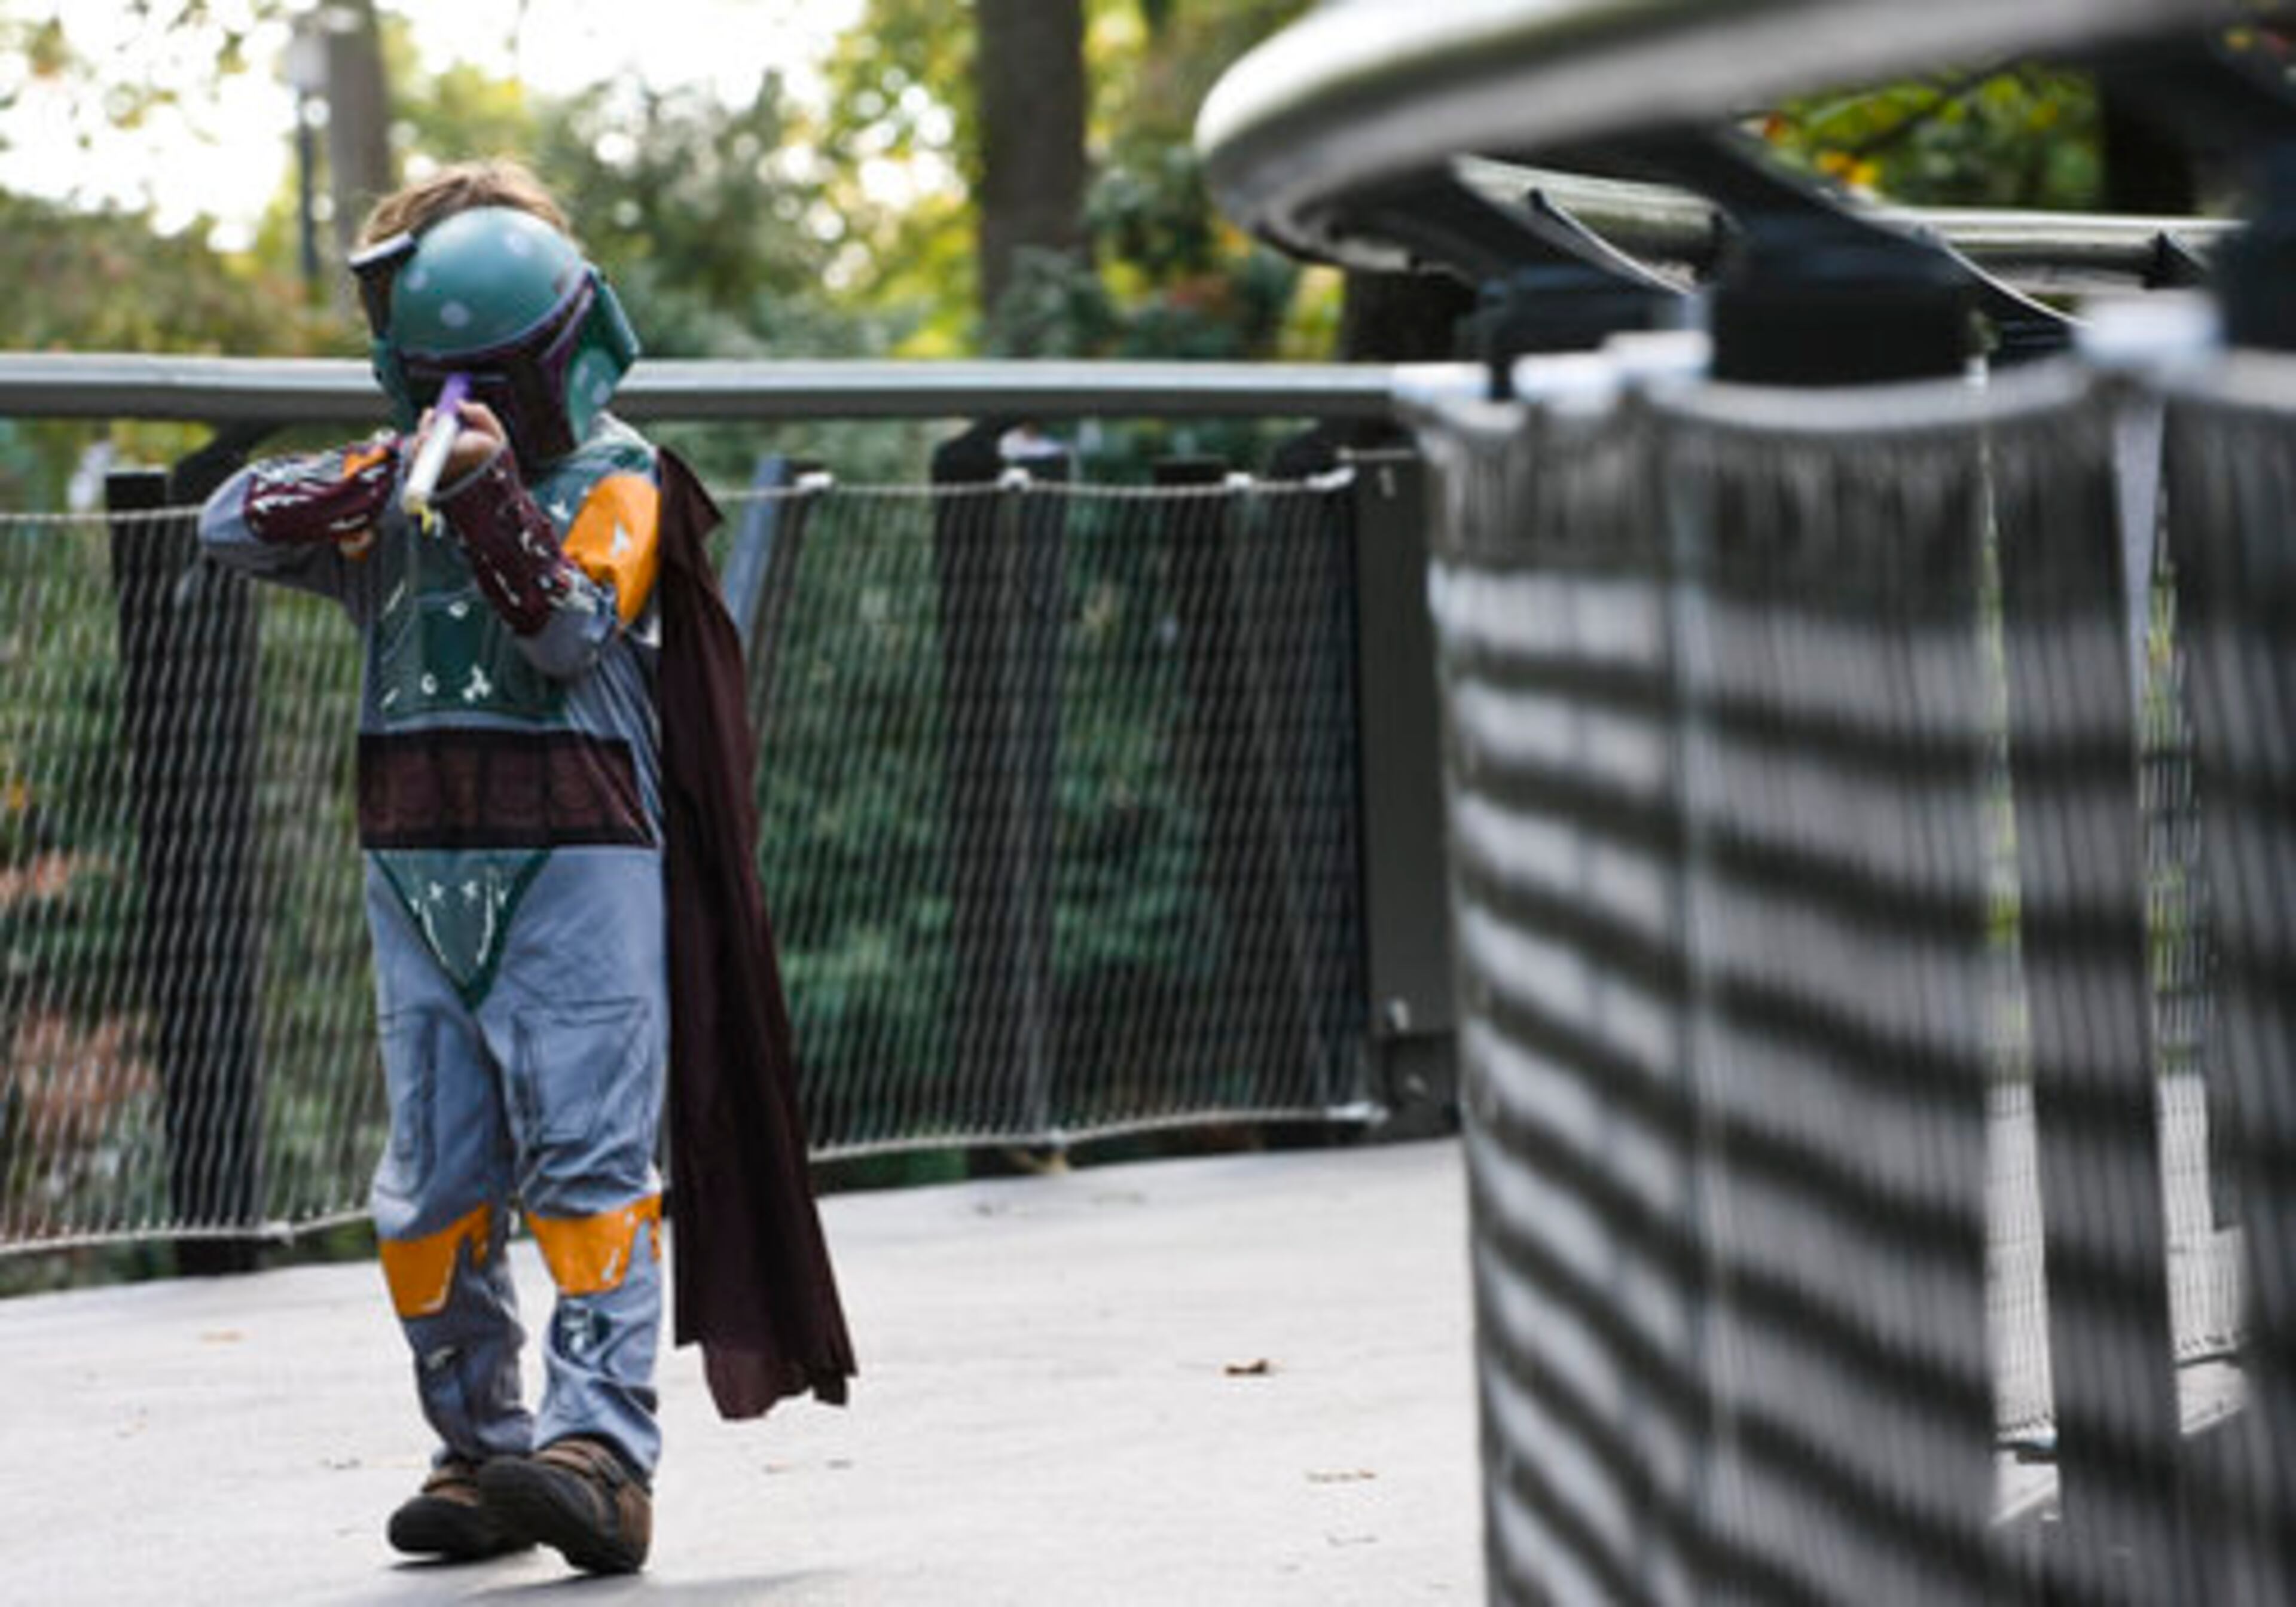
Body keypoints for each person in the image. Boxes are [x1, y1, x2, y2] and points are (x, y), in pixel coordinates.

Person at [199, 160, 854, 1576]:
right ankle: (479, 1449)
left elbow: (567, 631)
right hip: (416, 872)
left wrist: (493, 498)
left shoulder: (621, 480)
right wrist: (382, 479)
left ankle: (600, 1457)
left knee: (587, 1172)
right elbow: (226, 526)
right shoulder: (390, 497)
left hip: (579, 872)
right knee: (428, 1195)